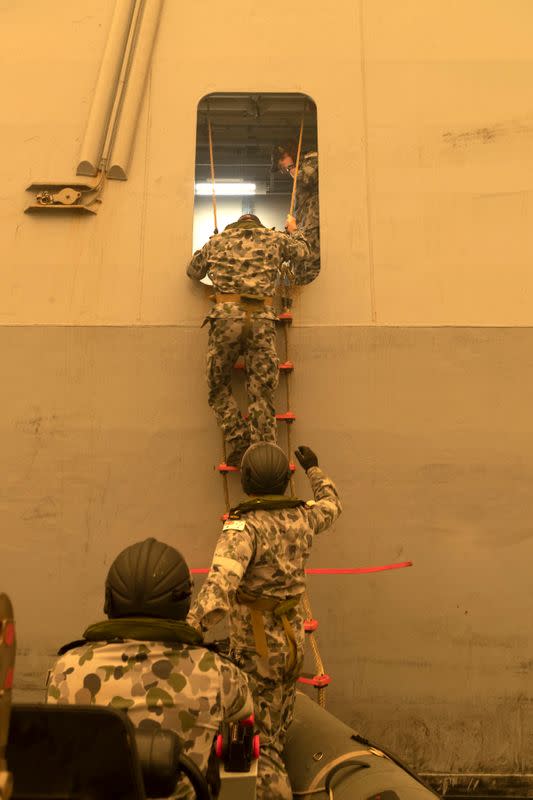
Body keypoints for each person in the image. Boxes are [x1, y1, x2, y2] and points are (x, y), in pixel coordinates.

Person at [186, 443, 342, 800]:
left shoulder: (244, 528)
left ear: (247, 480)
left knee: (258, 742)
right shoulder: (303, 516)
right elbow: (332, 506)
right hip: (292, 642)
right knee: (279, 724)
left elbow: (220, 587)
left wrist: (189, 630)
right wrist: (315, 470)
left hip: (257, 650)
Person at [46, 538, 252, 800]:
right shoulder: (218, 673)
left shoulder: (67, 669)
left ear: (109, 602)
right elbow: (244, 718)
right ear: (183, 605)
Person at [187, 213, 314, 467]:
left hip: (226, 319)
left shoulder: (217, 241)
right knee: (262, 391)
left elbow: (193, 272)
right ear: (258, 225)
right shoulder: (274, 238)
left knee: (217, 384)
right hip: (261, 320)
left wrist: (213, 243)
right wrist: (293, 230)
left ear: (233, 225)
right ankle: (263, 455)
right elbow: (303, 252)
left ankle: (238, 439)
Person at [271, 141, 321, 281]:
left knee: (309, 262)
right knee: (300, 268)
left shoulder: (311, 158)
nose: (283, 169)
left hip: (313, 226)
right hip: (304, 227)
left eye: (281, 162)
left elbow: (307, 178)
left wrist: (291, 168)